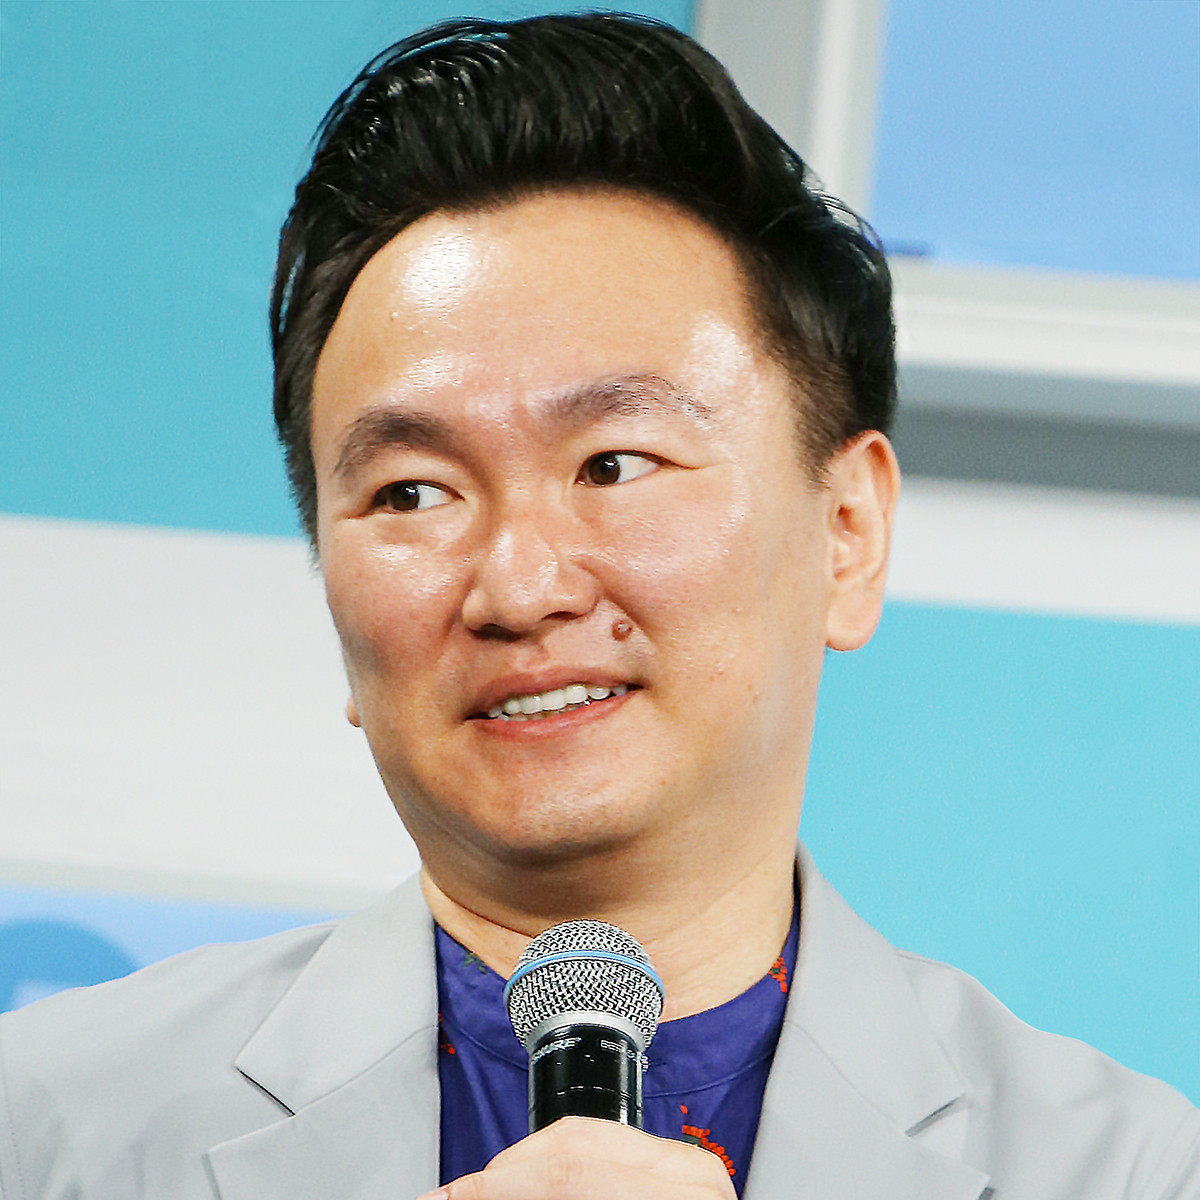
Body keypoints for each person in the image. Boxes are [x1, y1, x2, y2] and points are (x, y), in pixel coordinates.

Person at [0, 14, 1195, 1200]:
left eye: (614, 464)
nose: (520, 588)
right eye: (412, 492)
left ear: (847, 533)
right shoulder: (46, 1133)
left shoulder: (1127, 1172)